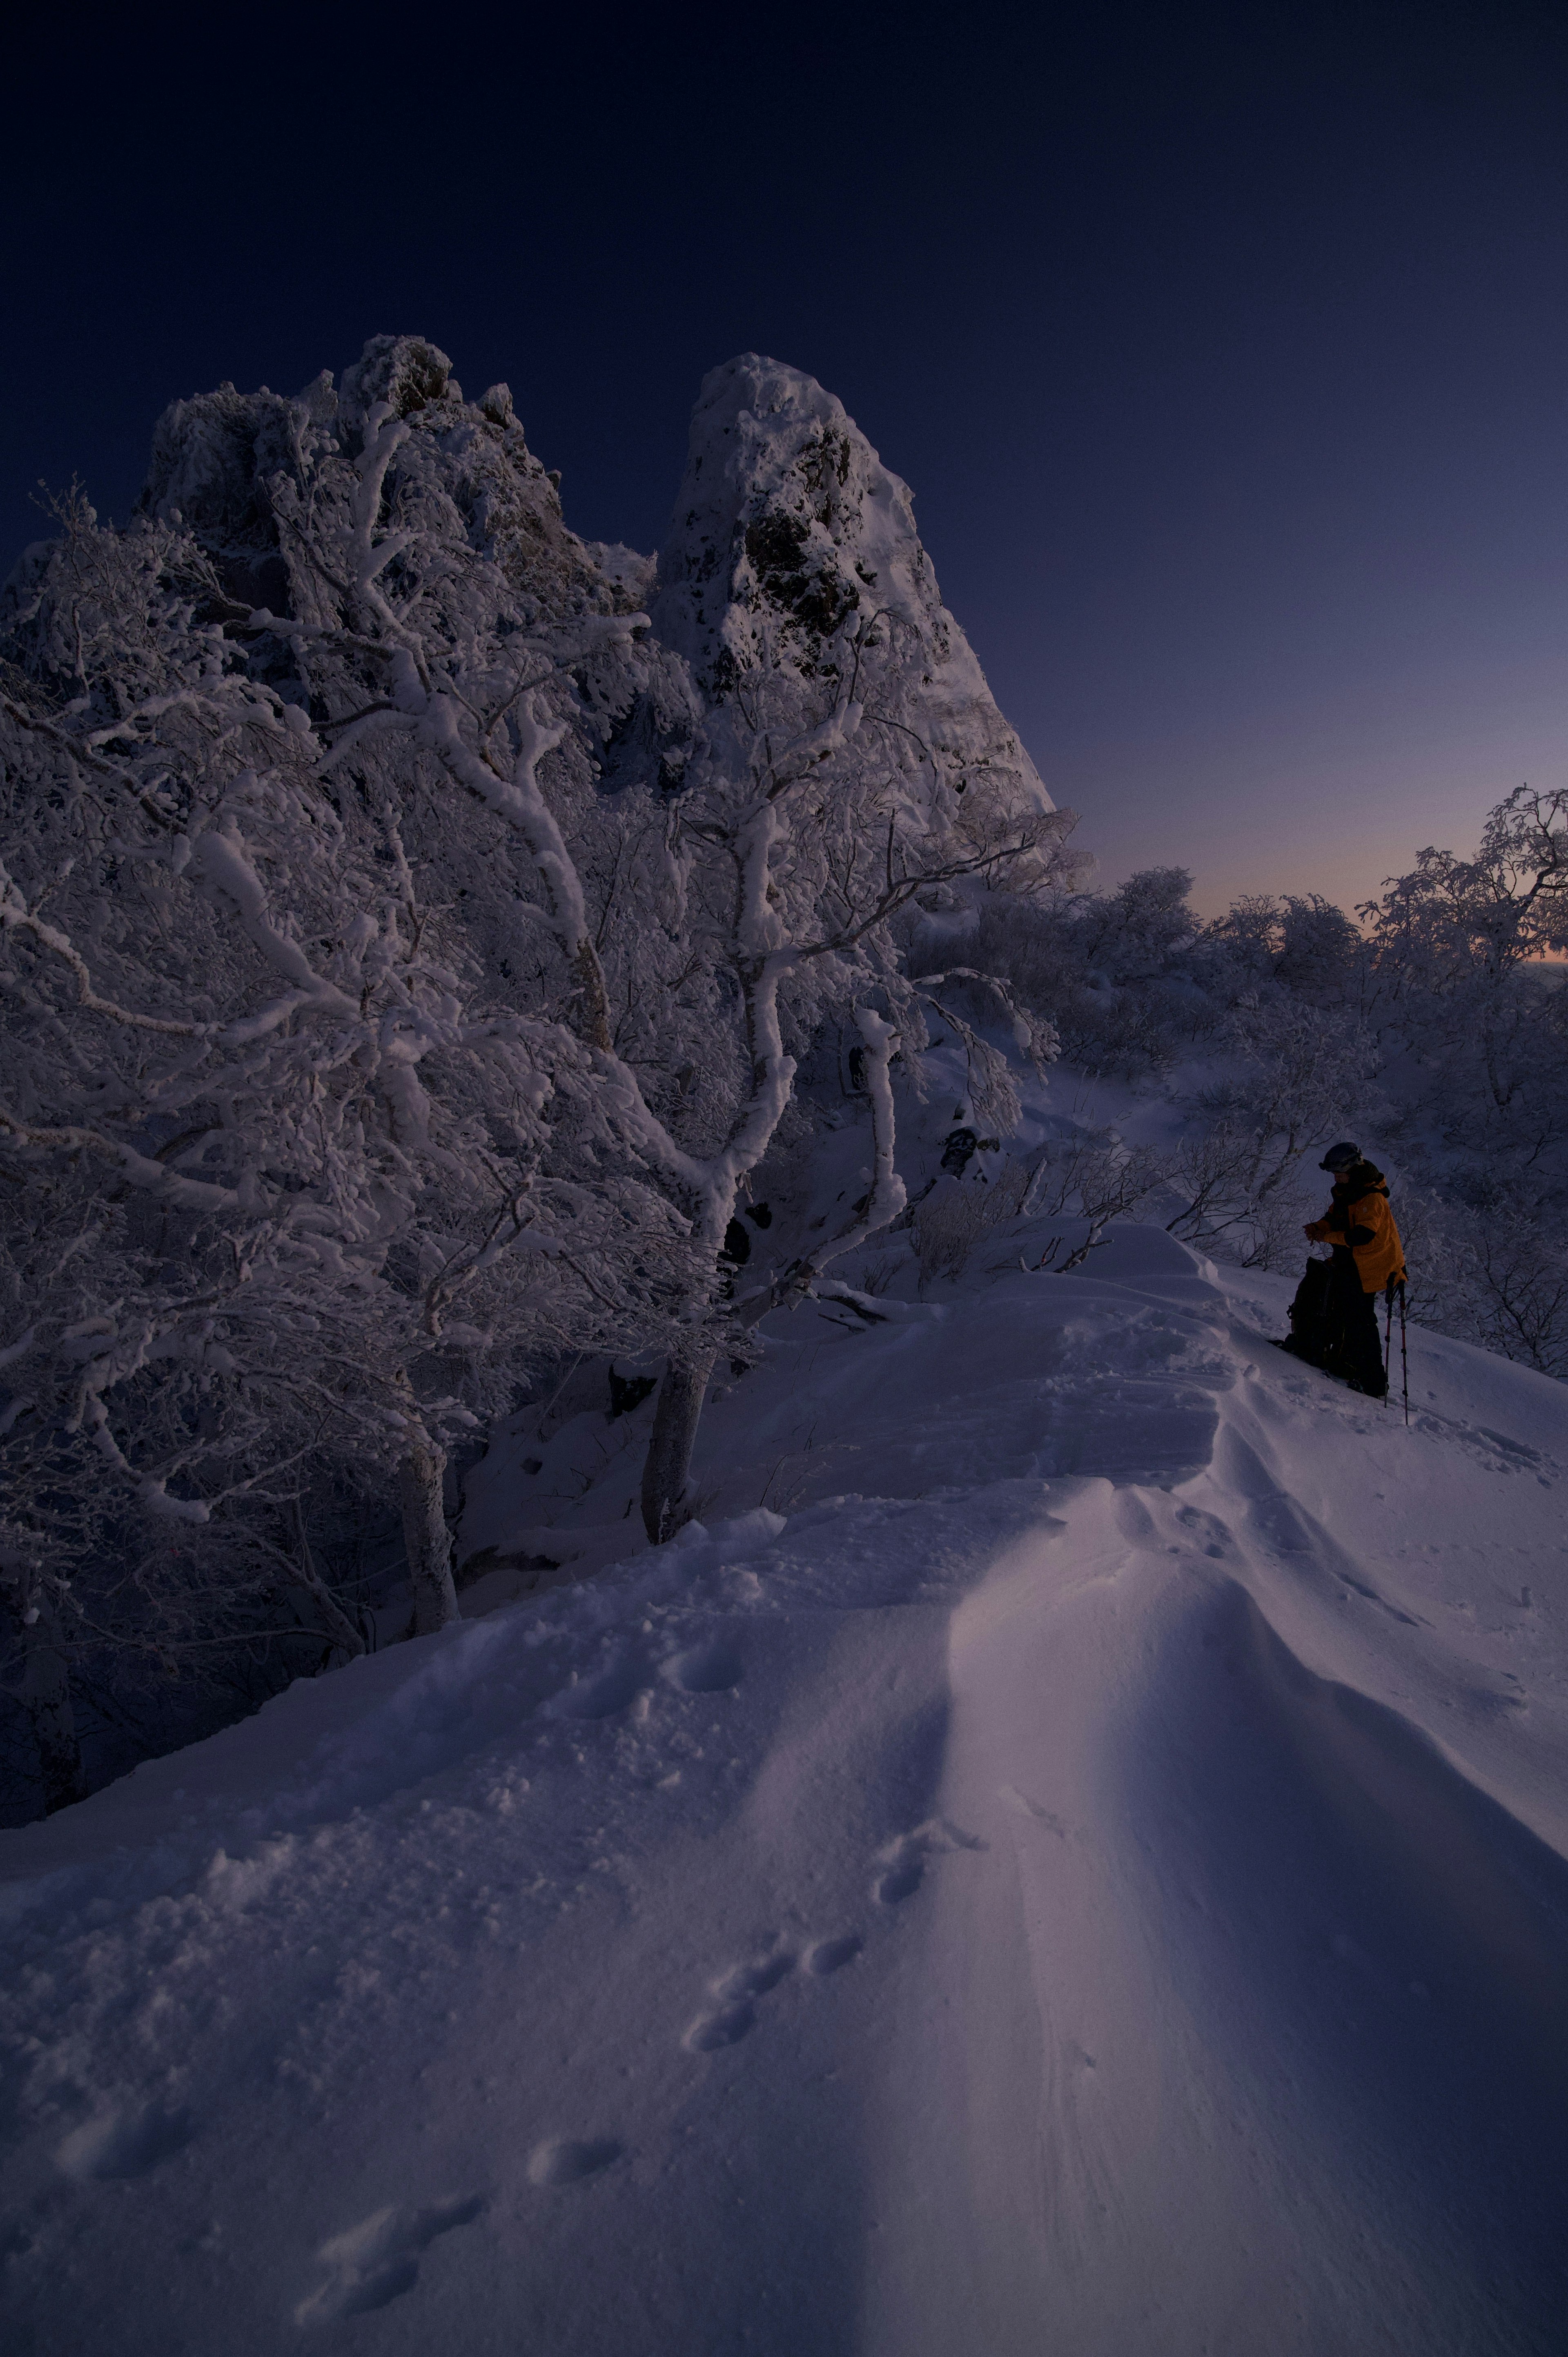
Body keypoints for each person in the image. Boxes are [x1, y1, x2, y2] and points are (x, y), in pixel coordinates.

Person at [1279, 1142, 1405, 1397]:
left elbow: (1362, 1236)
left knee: (1361, 1322)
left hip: (1369, 1268)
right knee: (1329, 1305)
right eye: (1334, 1173)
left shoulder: (1372, 1198)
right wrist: (1319, 1227)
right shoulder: (1347, 1190)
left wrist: (1327, 1238)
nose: (1336, 1177)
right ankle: (1325, 1353)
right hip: (1350, 1263)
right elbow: (1334, 1217)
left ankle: (1373, 1382)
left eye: (1340, 1172)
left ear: (1354, 1168)